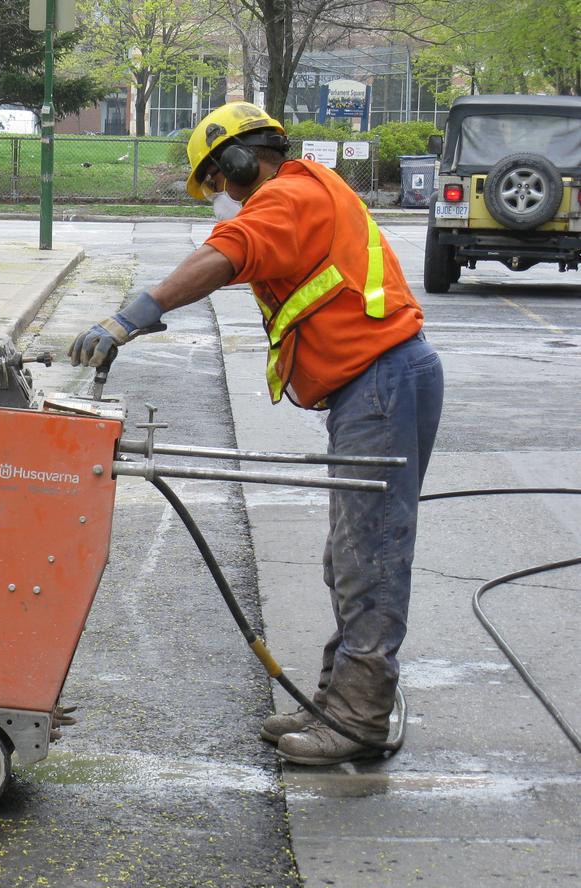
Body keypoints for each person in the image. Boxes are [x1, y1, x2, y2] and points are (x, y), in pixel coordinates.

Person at [70, 102, 444, 766]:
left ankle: (359, 717)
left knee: (370, 556)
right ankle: (340, 699)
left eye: (217, 182)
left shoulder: (285, 198)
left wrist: (133, 316)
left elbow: (224, 254)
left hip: (380, 383)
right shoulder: (306, 191)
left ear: (240, 162)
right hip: (380, 381)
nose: (219, 198)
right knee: (351, 553)